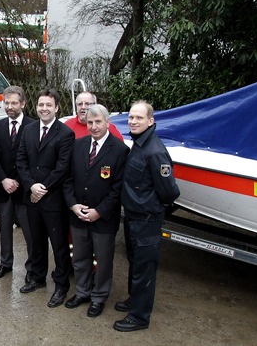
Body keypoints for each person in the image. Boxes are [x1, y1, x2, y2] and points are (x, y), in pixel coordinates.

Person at [113, 100, 180, 332]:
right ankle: (135, 300)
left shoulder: (155, 150)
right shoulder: (139, 144)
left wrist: (151, 207)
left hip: (147, 220)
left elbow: (170, 191)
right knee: (135, 264)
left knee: (144, 268)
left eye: (139, 118)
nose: (133, 121)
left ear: (150, 121)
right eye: (131, 117)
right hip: (133, 216)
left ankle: (139, 317)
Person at [63, 104, 129, 317]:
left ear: (107, 122)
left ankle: (99, 297)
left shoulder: (120, 150)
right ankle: (82, 291)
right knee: (80, 258)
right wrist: (73, 205)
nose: (93, 126)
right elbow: (68, 179)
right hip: (79, 215)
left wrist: (99, 211)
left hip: (103, 218)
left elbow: (118, 188)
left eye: (98, 122)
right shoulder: (78, 145)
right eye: (90, 122)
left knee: (102, 260)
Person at [16, 88, 75, 308]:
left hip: (53, 199)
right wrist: (31, 185)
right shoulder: (29, 130)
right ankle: (37, 278)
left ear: (57, 108)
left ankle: (61, 285)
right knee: (36, 240)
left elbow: (62, 168)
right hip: (32, 197)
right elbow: (21, 161)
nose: (44, 108)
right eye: (41, 105)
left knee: (58, 244)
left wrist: (43, 188)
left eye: (48, 105)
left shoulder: (65, 133)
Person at [0, 85, 35, 281]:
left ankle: (33, 266)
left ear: (23, 103)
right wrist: (3, 179)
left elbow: (34, 159)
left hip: (24, 189)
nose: (9, 106)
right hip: (2, 187)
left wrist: (17, 180)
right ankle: (5, 263)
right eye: (6, 103)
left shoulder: (33, 126)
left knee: (30, 231)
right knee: (4, 228)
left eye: (14, 103)